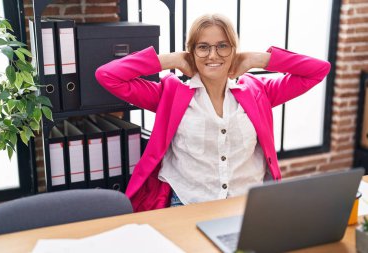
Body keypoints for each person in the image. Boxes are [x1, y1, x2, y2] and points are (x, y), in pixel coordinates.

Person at [95, 13, 331, 212]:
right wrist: (170, 60)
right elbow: (107, 75)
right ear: (192, 52)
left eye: (222, 46)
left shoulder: (258, 92)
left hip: (248, 205)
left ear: (234, 50)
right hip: (188, 204)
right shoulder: (171, 93)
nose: (213, 55)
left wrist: (260, 59)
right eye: (203, 47)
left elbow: (318, 70)